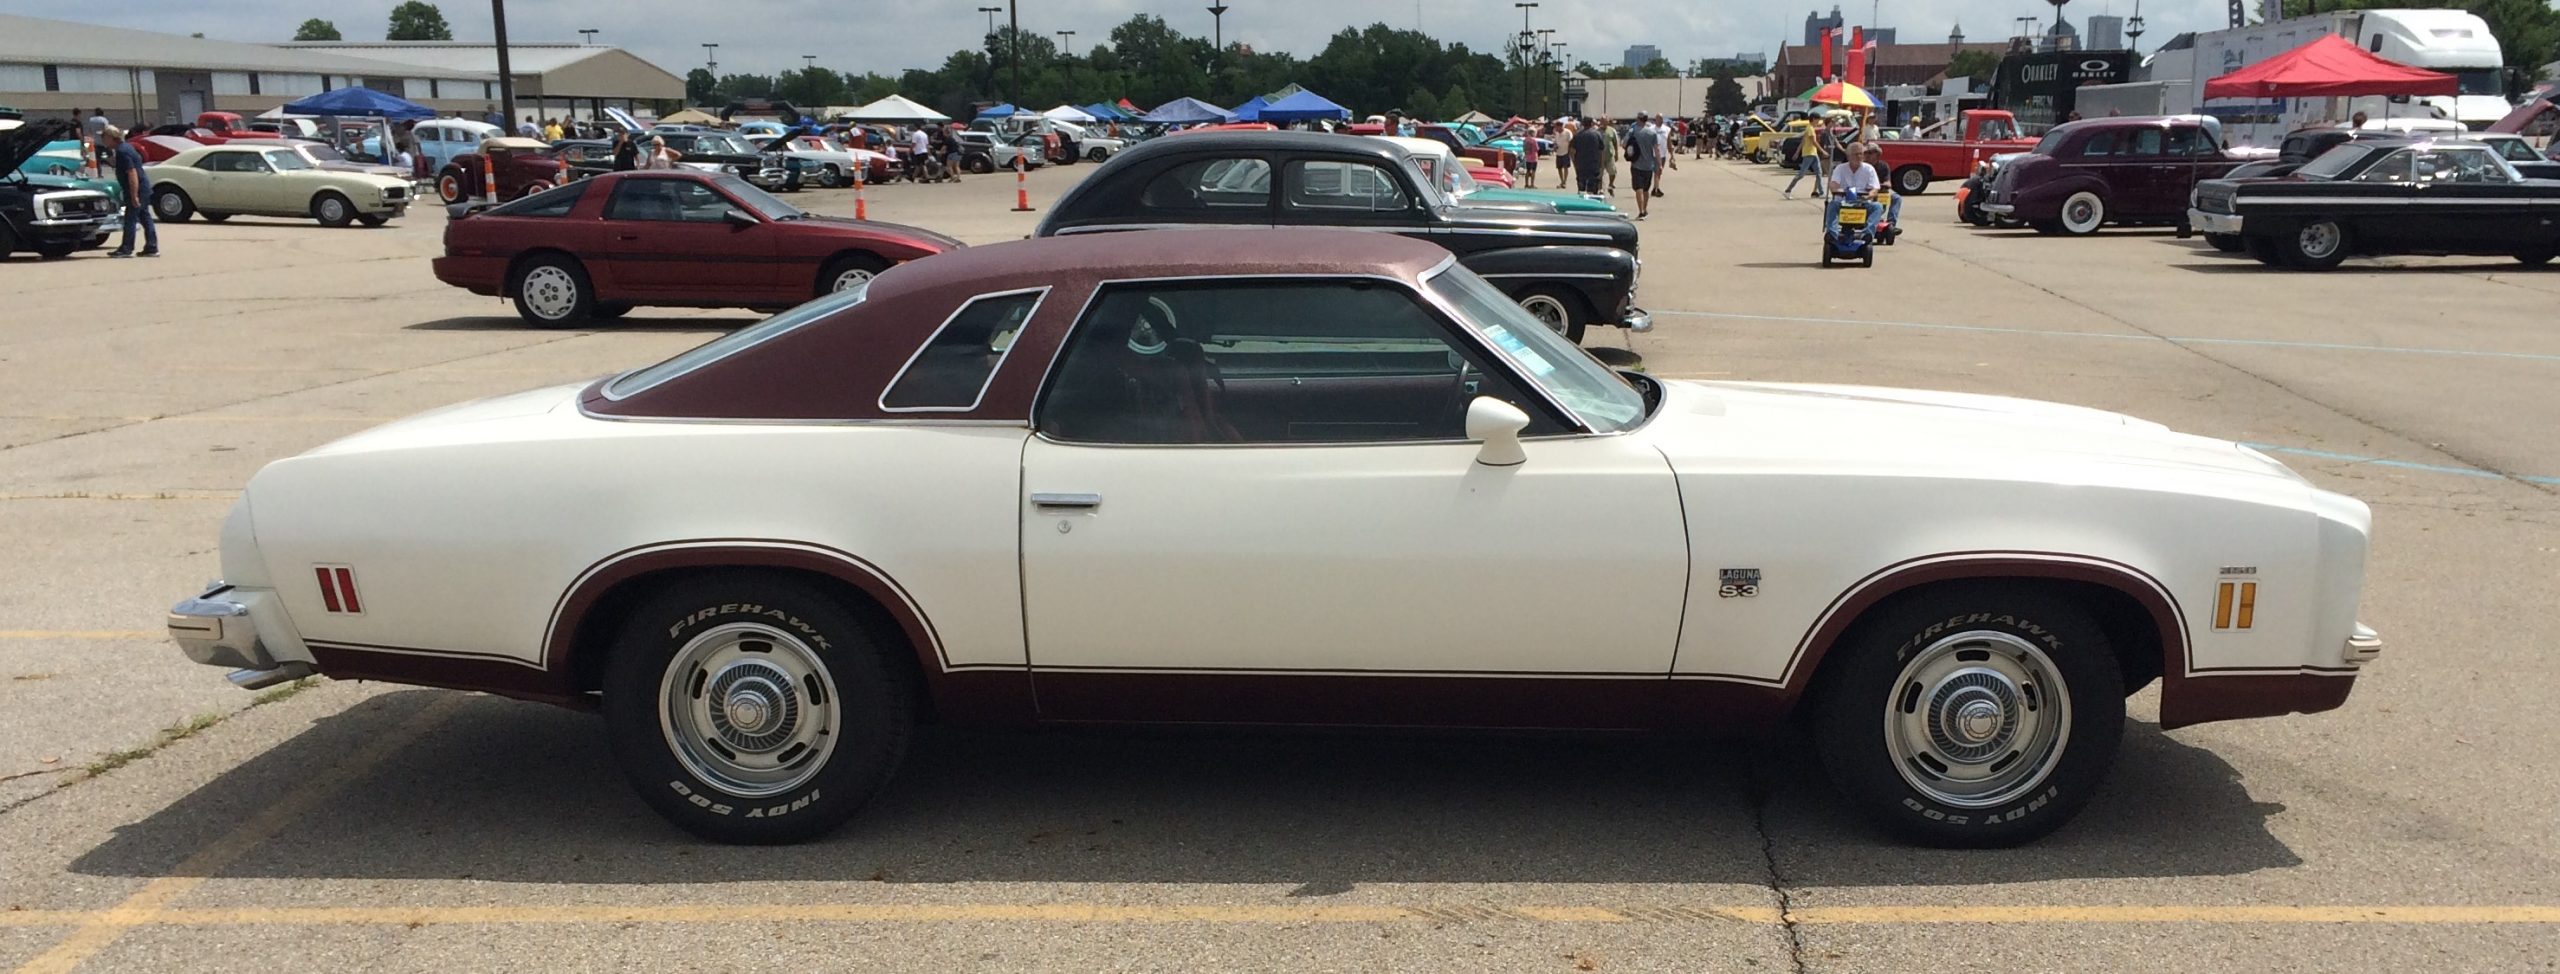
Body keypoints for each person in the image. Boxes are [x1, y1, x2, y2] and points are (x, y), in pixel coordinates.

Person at [100, 128, 157, 258]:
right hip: (143, 187)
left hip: (137, 189)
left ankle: (126, 248)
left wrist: (134, 195)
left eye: (104, 137)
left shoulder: (122, 151)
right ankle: (151, 246)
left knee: (130, 218)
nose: (102, 140)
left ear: (111, 137)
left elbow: (132, 173)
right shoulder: (126, 148)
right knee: (145, 217)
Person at [1825, 143, 1881, 240]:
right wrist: (1837, 190)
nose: (1859, 156)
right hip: (1843, 201)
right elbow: (1833, 185)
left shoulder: (1869, 169)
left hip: (1862, 201)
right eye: (1856, 154)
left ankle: (1867, 234)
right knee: (1832, 205)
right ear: (1848, 156)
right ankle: (1832, 234)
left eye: (1861, 154)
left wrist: (1869, 195)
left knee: (1877, 206)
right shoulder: (1840, 168)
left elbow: (1875, 188)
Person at [1628, 112, 1667, 220]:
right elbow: (1657, 149)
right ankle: (1644, 209)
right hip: (1649, 165)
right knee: (1646, 189)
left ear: (1638, 119)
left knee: (1638, 188)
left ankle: (1641, 211)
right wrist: (1659, 164)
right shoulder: (1652, 133)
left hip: (1636, 164)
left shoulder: (1633, 131)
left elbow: (1624, 143)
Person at [1783, 123, 1834, 198]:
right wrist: (1823, 151)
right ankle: (1788, 190)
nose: (1818, 123)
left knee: (1819, 173)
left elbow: (1803, 141)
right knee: (1801, 174)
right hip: (1809, 154)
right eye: (1817, 121)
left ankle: (1821, 193)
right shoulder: (1810, 129)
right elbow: (1814, 142)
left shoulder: (1809, 128)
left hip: (1814, 153)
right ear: (1814, 120)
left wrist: (1797, 152)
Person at [1570, 118, 1604, 194]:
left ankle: (1582, 198)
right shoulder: (1597, 134)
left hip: (1581, 163)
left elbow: (1572, 151)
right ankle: (1592, 198)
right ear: (1591, 124)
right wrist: (1601, 164)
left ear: (1582, 124)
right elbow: (1601, 150)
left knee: (1581, 186)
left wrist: (1575, 163)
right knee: (1593, 185)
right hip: (1594, 163)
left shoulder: (1577, 135)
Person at [1598, 116, 1620, 194]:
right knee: (1600, 174)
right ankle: (1600, 189)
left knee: (1613, 172)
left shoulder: (1612, 130)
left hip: (1609, 155)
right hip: (1599, 156)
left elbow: (1615, 142)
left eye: (1605, 121)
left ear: (1607, 122)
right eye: (1602, 121)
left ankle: (1610, 184)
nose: (1603, 123)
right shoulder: (1597, 131)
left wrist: (1616, 153)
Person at [1553, 119, 1574, 189]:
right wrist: (1555, 146)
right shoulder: (1556, 133)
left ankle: (1564, 181)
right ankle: (1562, 181)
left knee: (1565, 167)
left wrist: (1570, 151)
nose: (1555, 129)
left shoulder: (1567, 132)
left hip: (1566, 152)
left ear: (1560, 126)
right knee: (1559, 168)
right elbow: (1555, 141)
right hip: (1558, 152)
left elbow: (1571, 141)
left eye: (1556, 127)